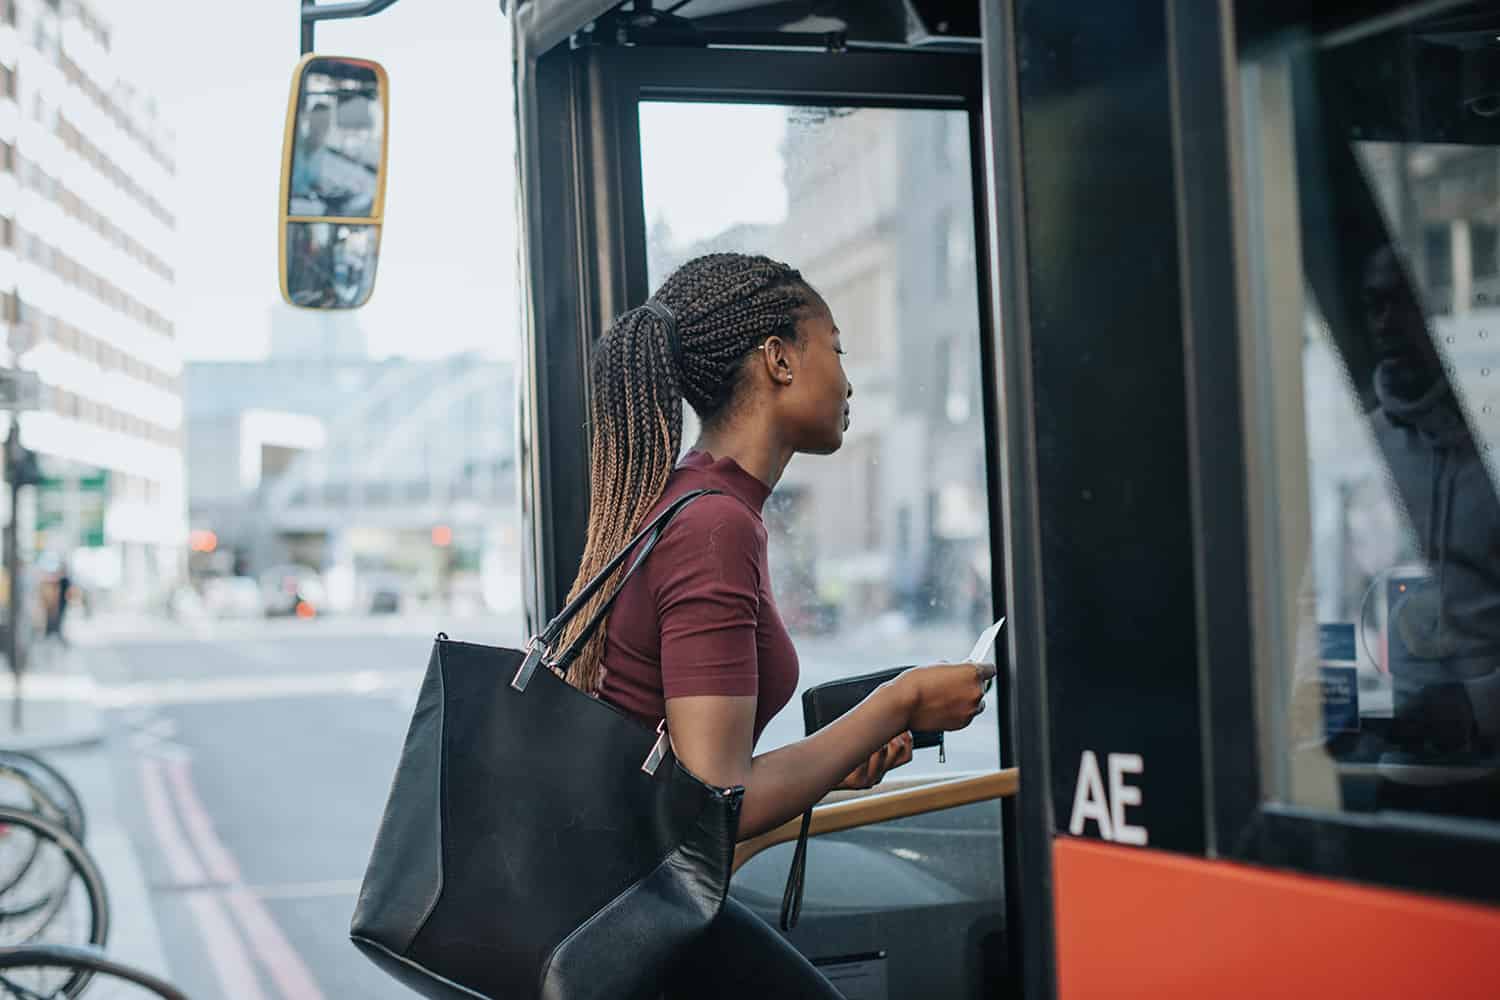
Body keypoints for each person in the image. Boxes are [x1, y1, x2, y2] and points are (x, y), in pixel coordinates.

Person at [551, 253, 993, 997]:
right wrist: (904, 701)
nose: (848, 379)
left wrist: (829, 760)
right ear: (781, 360)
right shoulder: (713, 525)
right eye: (837, 347)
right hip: (633, 924)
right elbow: (722, 800)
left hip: (626, 904)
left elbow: (702, 792)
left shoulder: (703, 503)